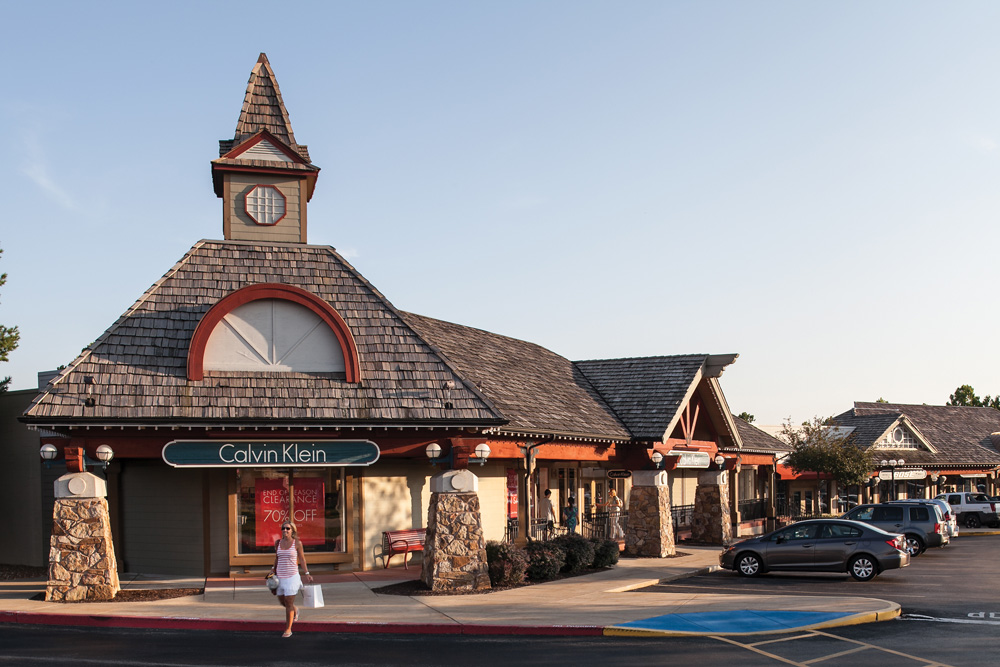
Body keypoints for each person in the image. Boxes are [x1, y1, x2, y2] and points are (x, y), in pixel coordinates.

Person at [270, 520, 313, 638]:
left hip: (292, 576)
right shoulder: (278, 543)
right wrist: (272, 570)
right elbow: (277, 558)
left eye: (288, 528)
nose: (285, 530)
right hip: (280, 576)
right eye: (283, 528)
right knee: (282, 601)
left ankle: (288, 629)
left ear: (292, 530)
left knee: (288, 602)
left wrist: (307, 573)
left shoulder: (297, 543)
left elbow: (302, 559)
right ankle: (295, 610)